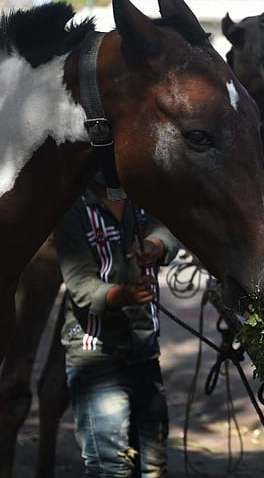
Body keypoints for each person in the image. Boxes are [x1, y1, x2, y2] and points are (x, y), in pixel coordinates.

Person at [54, 172, 179, 477]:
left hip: (144, 349)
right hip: (97, 355)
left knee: (154, 465)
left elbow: (167, 229)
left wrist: (156, 245)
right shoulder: (73, 209)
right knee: (111, 467)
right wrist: (122, 296)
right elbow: (81, 286)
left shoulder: (141, 198)